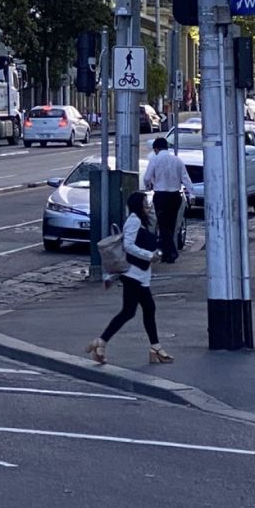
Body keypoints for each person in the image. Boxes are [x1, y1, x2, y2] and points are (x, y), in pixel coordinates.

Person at [86, 191, 172, 366]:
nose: (148, 206)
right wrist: (149, 255)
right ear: (137, 205)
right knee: (136, 310)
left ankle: (152, 347)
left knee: (138, 310)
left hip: (139, 274)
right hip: (133, 274)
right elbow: (128, 246)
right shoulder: (134, 220)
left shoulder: (140, 220)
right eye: (145, 203)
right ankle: (102, 343)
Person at [144, 136, 193, 262]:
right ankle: (167, 255)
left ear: (156, 148)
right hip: (175, 196)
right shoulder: (177, 160)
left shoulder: (155, 160)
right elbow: (185, 178)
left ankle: (171, 251)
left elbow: (147, 177)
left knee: (163, 225)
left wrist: (148, 185)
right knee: (171, 225)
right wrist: (191, 193)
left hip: (160, 195)